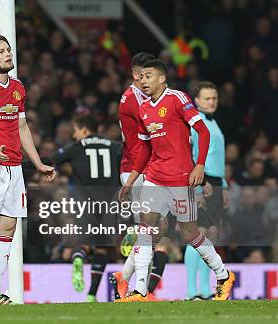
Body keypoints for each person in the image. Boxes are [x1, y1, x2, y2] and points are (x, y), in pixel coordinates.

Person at [117, 59, 235, 302]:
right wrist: (130, 181)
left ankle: (223, 275)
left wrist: (199, 165)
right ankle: (139, 290)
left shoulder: (177, 99)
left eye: (148, 76)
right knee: (145, 228)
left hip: (181, 178)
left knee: (190, 233)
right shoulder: (144, 109)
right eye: (141, 77)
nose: (143, 81)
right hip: (155, 177)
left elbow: (202, 130)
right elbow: (145, 150)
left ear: (161, 78)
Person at [0, 35, 55, 305]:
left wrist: (38, 163)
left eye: (8, 49)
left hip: (14, 167)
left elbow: (22, 128)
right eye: (1, 51)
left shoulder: (17, 88)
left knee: (8, 228)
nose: (7, 54)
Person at [110, 52, 170, 301]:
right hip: (137, 169)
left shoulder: (143, 97)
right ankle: (139, 288)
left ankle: (125, 278)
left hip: (149, 168)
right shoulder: (133, 100)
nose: (149, 80)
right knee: (150, 229)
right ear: (137, 75)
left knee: (156, 229)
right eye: (146, 75)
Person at [49, 115, 121, 302]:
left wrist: (25, 165)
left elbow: (52, 159)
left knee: (85, 244)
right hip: (109, 204)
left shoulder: (76, 148)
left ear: (84, 130)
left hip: (86, 203)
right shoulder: (114, 146)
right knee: (103, 250)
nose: (74, 135)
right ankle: (91, 295)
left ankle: (79, 256)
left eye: (75, 131)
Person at [185, 81, 229, 300]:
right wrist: (199, 185)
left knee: (210, 235)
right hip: (203, 180)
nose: (212, 101)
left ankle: (204, 288)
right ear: (197, 101)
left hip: (216, 181)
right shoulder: (197, 123)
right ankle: (191, 290)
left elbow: (217, 157)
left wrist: (225, 185)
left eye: (214, 98)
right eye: (207, 98)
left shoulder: (214, 122)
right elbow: (191, 155)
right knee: (198, 233)